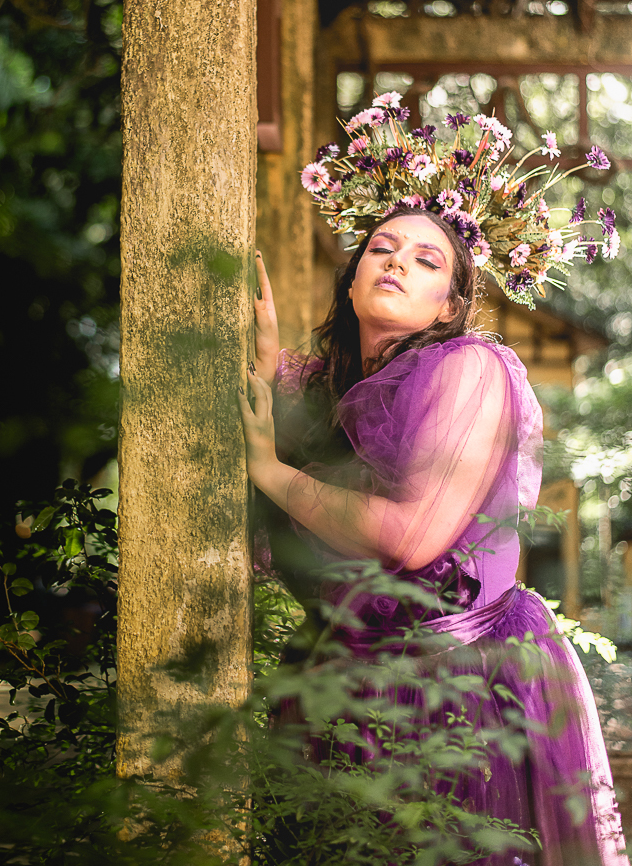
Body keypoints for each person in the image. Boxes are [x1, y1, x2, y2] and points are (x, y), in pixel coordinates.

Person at [238, 99, 626, 866]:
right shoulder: (324, 388)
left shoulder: (468, 370)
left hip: (462, 684)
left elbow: (411, 536)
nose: (395, 262)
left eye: (425, 260)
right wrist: (263, 366)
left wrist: (268, 470)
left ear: (450, 303)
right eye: (381, 249)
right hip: (340, 682)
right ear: (351, 281)